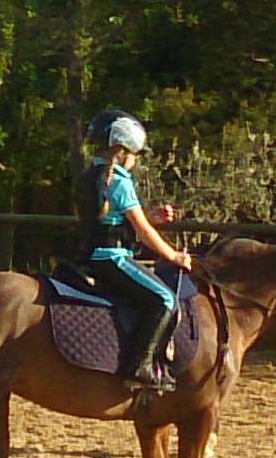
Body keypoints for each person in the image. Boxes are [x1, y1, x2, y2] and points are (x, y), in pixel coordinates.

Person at [73, 112, 193, 391]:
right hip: (112, 258)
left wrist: (152, 216)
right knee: (165, 299)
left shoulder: (92, 175)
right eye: (135, 154)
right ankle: (139, 366)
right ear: (122, 150)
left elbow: (114, 221)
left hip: (90, 254)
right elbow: (143, 232)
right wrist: (173, 255)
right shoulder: (120, 182)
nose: (136, 160)